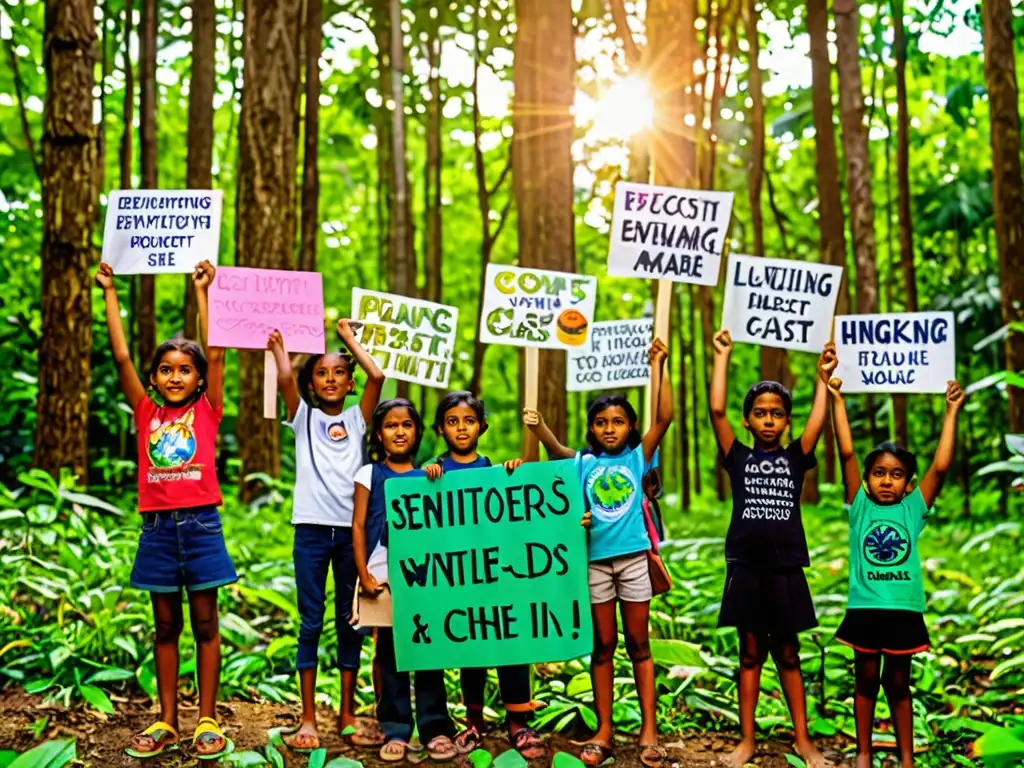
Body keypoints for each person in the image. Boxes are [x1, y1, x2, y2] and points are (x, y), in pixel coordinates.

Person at [97, 261, 234, 759]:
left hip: (201, 526)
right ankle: (167, 719)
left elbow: (216, 351)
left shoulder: (207, 411)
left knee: (205, 624)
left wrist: (204, 292)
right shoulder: (145, 411)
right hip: (156, 531)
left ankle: (207, 719)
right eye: (166, 369)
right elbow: (119, 355)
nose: (175, 376)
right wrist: (111, 292)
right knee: (165, 627)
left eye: (185, 369)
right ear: (154, 378)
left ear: (198, 379)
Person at [524, 339, 673, 768]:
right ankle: (604, 730)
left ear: (630, 427)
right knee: (603, 645)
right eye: (602, 423)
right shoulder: (585, 464)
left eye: (619, 422)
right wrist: (539, 428)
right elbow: (556, 453)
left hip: (633, 560)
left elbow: (665, 416)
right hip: (594, 564)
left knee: (639, 644)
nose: (610, 428)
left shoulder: (638, 458)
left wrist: (659, 366)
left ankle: (649, 730)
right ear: (592, 429)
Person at [709, 329, 835, 768]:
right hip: (745, 567)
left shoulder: (796, 456)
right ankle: (746, 740)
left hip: (786, 569)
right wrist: (722, 357)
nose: (767, 419)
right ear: (748, 420)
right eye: (760, 413)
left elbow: (818, 423)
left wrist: (822, 378)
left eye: (776, 414)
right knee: (749, 653)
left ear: (786, 421)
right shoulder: (738, 456)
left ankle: (803, 739)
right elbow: (716, 409)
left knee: (787, 652)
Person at [829, 366, 965, 768]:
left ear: (908, 484)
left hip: (903, 610)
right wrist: (837, 399)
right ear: (867, 480)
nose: (887, 481)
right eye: (879, 474)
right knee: (866, 681)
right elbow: (847, 452)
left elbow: (940, 469)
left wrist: (951, 412)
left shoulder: (912, 509)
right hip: (865, 609)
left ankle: (907, 759)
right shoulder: (860, 506)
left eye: (896, 475)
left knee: (899, 684)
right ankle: (864, 753)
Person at [266, 320, 385, 751]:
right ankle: (308, 717)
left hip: (352, 534)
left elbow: (377, 376)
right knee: (311, 621)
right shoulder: (303, 418)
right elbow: (283, 378)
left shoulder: (358, 418)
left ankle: (348, 712)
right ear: (312, 384)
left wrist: (349, 338)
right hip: (312, 533)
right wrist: (281, 349)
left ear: (348, 383)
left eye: (339, 372)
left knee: (350, 619)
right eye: (322, 373)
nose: (331, 379)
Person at [422, 392, 543, 759]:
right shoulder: (431, 474)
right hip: (457, 579)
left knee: (511, 641)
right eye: (453, 421)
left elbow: (513, 520)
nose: (462, 428)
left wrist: (513, 477)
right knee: (469, 648)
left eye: (469, 421)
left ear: (481, 427)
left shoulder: (497, 472)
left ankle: (518, 721)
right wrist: (426, 479)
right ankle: (474, 722)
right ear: (441, 429)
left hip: (496, 576)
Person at [352, 399, 458, 762]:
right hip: (383, 572)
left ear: (417, 432)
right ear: (379, 434)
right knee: (389, 651)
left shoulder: (430, 475)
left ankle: (435, 726)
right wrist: (363, 573)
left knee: (429, 648)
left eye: (407, 425)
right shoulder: (369, 474)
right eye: (391, 426)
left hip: (425, 575)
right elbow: (358, 524)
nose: (399, 431)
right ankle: (395, 728)